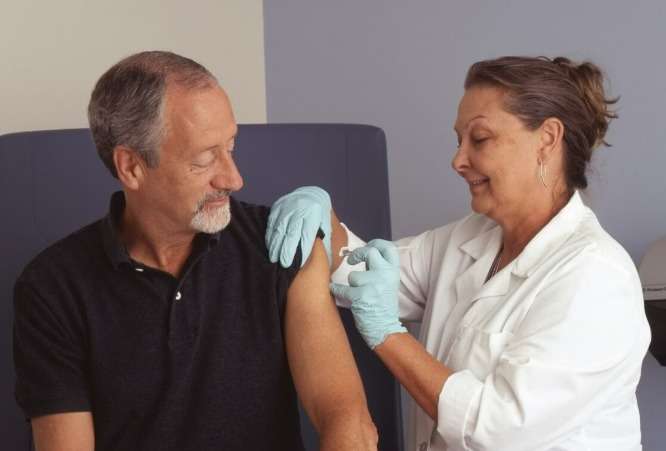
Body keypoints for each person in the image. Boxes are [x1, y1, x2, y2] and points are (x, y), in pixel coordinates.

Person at [266, 56, 651, 450]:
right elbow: (360, 271)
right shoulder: (469, 238)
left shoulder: (596, 277)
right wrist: (322, 217)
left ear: (547, 139)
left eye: (479, 139)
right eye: (458, 140)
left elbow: (498, 430)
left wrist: (388, 334)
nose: (457, 160)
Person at [13, 51, 377, 451]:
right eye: (204, 160)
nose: (233, 179)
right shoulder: (53, 287)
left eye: (231, 147)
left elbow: (348, 421)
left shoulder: (282, 245)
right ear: (131, 167)